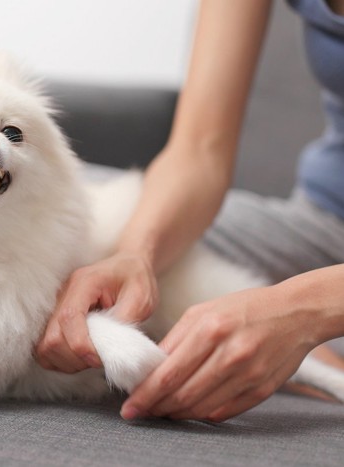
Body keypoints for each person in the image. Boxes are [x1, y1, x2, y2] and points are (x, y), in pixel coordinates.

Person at [35, 0, 344, 422]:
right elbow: (200, 151)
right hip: (324, 221)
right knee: (52, 197)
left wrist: (303, 311)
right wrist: (133, 253)